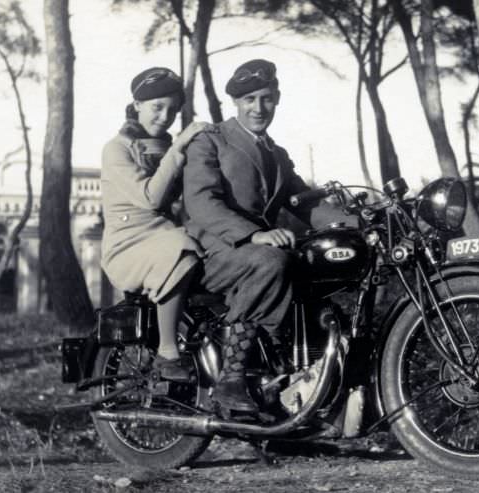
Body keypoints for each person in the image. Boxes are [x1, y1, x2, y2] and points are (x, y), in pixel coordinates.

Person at [183, 59, 355, 412]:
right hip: (214, 253)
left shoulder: (277, 154)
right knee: (272, 260)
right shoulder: (211, 141)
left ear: (277, 99)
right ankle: (231, 379)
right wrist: (251, 235)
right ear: (237, 102)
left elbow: (304, 206)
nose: (258, 108)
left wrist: (358, 224)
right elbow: (201, 202)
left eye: (266, 99)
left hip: (255, 254)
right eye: (249, 100)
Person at [101, 67, 207, 382]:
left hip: (166, 236)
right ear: (137, 105)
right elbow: (151, 198)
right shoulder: (117, 149)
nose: (164, 117)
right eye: (157, 107)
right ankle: (168, 351)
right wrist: (178, 150)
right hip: (129, 245)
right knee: (181, 249)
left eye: (172, 110)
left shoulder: (168, 148)